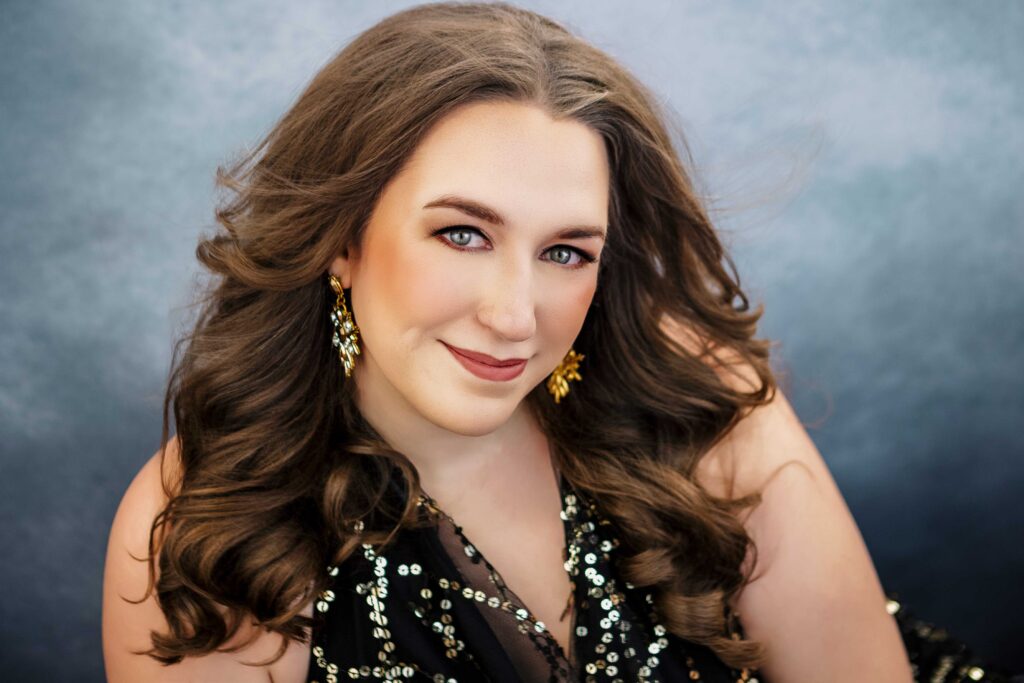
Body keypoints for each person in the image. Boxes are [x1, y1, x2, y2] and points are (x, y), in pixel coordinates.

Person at [101, 3, 1014, 682]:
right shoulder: (217, 522)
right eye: (462, 233)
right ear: (343, 238)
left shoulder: (693, 398)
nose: (515, 313)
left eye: (566, 251)